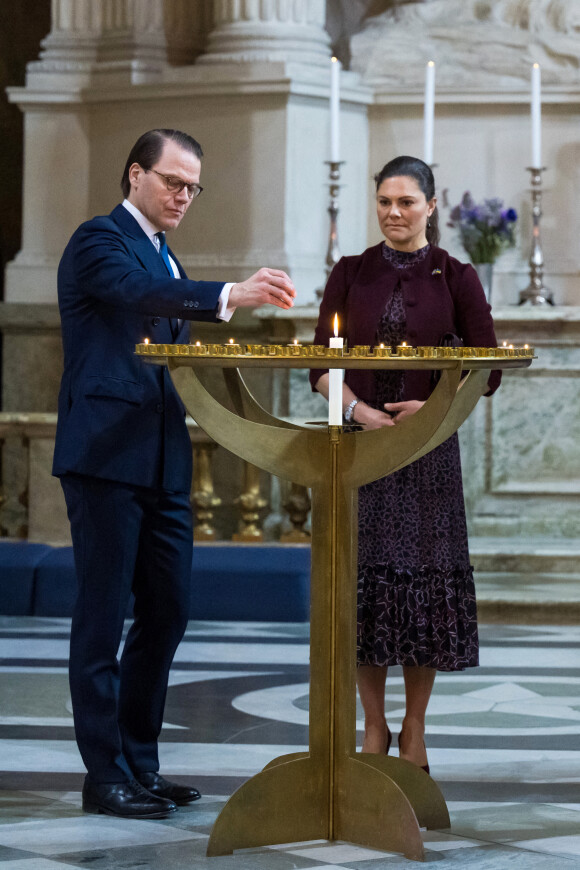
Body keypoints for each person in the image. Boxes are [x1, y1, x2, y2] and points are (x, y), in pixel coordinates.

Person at [52, 128, 296, 819]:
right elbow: (143, 292)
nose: (184, 195)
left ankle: (140, 764)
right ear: (135, 175)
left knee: (168, 612)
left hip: (162, 457)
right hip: (104, 456)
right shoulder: (98, 241)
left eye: (193, 187)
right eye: (173, 181)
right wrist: (231, 293)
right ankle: (104, 776)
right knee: (102, 617)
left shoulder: (165, 252)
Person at [309, 155, 500, 773]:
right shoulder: (350, 271)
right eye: (385, 202)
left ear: (431, 206)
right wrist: (358, 411)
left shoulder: (457, 276)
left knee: (420, 592)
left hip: (426, 456)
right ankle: (373, 724)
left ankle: (414, 727)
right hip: (363, 451)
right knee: (366, 589)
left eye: (407, 203)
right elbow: (320, 364)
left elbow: (488, 367)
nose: (394, 213)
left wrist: (434, 407)